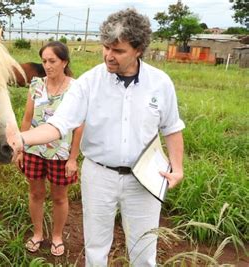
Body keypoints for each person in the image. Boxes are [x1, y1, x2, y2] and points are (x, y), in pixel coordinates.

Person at [19, 8, 185, 266]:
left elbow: (172, 128)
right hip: (99, 175)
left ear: (139, 49)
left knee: (144, 249)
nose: (109, 56)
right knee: (95, 247)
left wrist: (178, 167)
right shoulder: (89, 82)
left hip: (144, 179)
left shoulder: (160, 83)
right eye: (106, 47)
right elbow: (59, 124)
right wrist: (21, 139)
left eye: (118, 51)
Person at [17, 41, 84, 257]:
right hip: (34, 151)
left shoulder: (75, 88)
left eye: (52, 61)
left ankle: (56, 236)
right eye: (44, 61)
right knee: (36, 194)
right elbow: (27, 119)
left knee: (59, 198)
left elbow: (79, 127)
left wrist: (73, 158)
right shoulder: (36, 85)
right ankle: (37, 234)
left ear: (64, 62)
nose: (47, 65)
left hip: (60, 154)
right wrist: (20, 149)